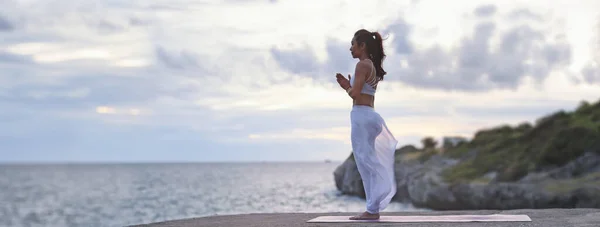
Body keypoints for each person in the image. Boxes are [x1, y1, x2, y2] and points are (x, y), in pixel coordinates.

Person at [335, 29, 398, 220]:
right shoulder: (371, 66)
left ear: (362, 46)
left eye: (353, 44)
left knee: (365, 163)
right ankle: (373, 207)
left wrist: (346, 85)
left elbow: (355, 94)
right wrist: (351, 83)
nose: (350, 48)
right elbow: (364, 91)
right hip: (371, 116)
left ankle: (372, 210)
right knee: (369, 162)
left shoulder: (362, 66)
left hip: (361, 116)